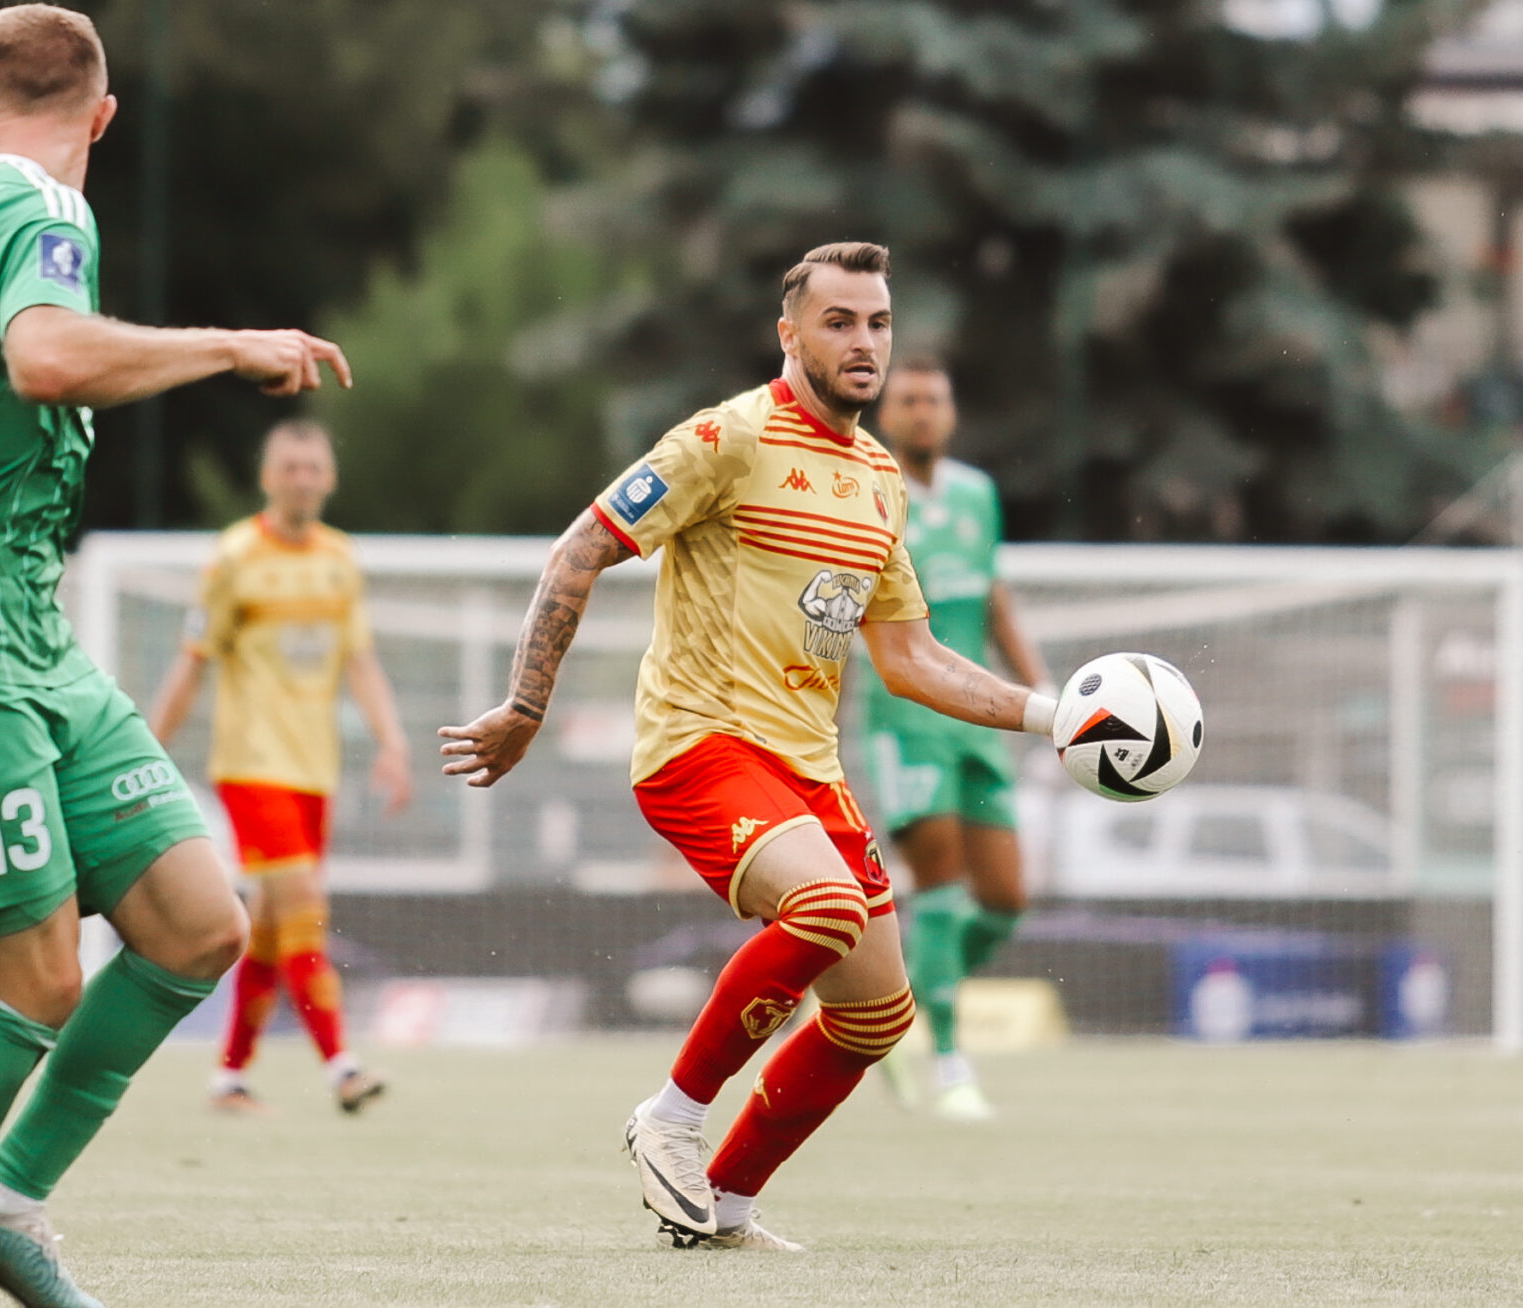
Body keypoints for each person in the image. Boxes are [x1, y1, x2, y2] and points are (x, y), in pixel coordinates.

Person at [0, 5, 350, 1308]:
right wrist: (232, 347)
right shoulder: (38, 206)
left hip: (26, 637)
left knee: (197, 920)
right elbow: (47, 353)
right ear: (102, 117)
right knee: (38, 980)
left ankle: (2, 1205)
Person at [439, 242, 1059, 1252]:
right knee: (819, 910)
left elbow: (910, 659)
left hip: (806, 770)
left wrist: (1050, 716)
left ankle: (723, 1202)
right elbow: (580, 547)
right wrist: (524, 704)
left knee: (874, 1018)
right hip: (700, 746)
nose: (863, 343)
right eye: (838, 321)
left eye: (877, 323)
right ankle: (670, 1118)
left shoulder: (876, 481)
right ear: (790, 333)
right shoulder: (726, 438)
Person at [148, 418, 411, 1115]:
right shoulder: (234, 558)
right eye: (289, 467)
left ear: (328, 478)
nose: (302, 478)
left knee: (268, 924)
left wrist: (392, 741)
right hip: (251, 765)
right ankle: (341, 1065)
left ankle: (229, 1076)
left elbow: (361, 661)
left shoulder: (339, 560)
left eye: (313, 467)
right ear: (267, 478)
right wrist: (145, 745)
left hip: (313, 770)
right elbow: (192, 662)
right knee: (302, 907)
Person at [863, 357, 1049, 1120]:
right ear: (886, 415)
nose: (922, 412)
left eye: (934, 399)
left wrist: (1049, 700)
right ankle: (947, 1061)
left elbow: (995, 596)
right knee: (938, 887)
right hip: (908, 719)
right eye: (907, 400)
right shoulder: (872, 491)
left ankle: (888, 1016)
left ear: (951, 411)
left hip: (982, 721)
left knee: (1004, 899)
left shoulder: (977, 493)